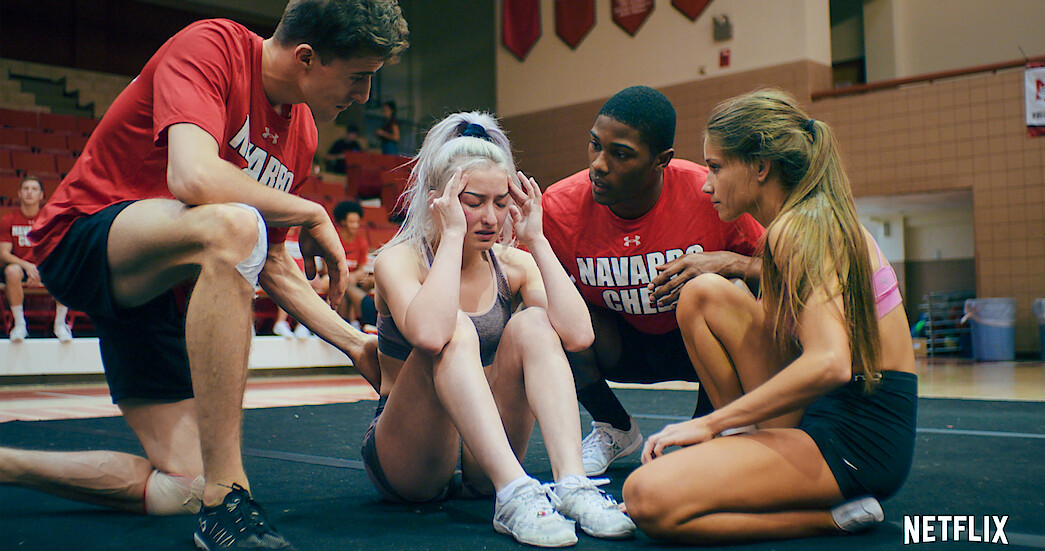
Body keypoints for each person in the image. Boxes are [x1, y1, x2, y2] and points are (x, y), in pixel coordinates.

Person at [0, 2, 408, 550]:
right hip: (80, 240)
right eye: (359, 78)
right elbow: (191, 175)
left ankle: (9, 466)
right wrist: (310, 211)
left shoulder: (302, 133)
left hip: (156, 293)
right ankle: (227, 496)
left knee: (177, 488)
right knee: (234, 225)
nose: (362, 97)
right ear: (307, 57)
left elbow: (272, 260)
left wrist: (354, 343)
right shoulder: (211, 46)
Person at [621, 88, 918, 544]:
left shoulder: (800, 230)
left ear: (760, 166)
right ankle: (741, 447)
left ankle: (831, 517)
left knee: (645, 497)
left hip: (858, 441)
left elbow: (829, 363)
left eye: (716, 167)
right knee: (701, 294)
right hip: (826, 415)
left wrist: (707, 424)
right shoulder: (798, 223)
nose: (705, 184)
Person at [366, 112, 636, 547]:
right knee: (453, 327)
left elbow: (579, 336)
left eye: (501, 201)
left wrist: (538, 241)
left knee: (534, 324)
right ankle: (514, 493)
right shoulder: (400, 260)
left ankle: (573, 485)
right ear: (441, 200)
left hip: (483, 453)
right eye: (473, 202)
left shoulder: (512, 264)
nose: (490, 217)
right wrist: (453, 235)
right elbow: (432, 336)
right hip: (410, 456)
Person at [541, 86, 764, 476]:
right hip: (615, 346)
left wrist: (731, 262)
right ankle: (613, 426)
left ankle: (708, 428)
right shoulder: (560, 205)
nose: (599, 164)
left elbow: (785, 269)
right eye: (595, 145)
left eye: (620, 154)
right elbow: (517, 279)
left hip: (695, 345)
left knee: (723, 291)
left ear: (661, 160)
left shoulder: (706, 193)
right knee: (540, 312)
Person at [1, 176, 73, 342]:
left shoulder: (48, 221)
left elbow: (54, 251)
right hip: (20, 268)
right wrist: (28, 267)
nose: (29, 193)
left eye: (34, 189)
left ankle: (60, 324)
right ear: (19, 193)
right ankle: (19, 325)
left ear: (41, 195)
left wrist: (40, 269)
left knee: (64, 269)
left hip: (43, 268)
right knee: (11, 271)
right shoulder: (8, 220)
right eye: (26, 189)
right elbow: (4, 254)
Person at [331, 200, 374, 325]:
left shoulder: (361, 242)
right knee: (343, 285)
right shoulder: (334, 240)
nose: (355, 225)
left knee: (370, 281)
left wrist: (354, 276)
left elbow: (360, 269)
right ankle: (356, 318)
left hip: (353, 281)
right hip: (334, 280)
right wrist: (348, 277)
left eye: (357, 222)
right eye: (351, 222)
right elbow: (329, 268)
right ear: (343, 222)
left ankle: (347, 323)